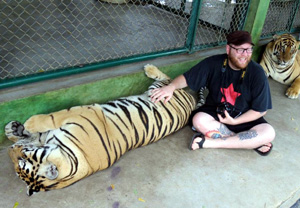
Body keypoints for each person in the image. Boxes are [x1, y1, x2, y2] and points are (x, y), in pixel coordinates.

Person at [150, 31, 275, 156]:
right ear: (228, 49)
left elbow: (260, 110)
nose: (245, 55)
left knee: (269, 132)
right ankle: (245, 141)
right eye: (240, 50)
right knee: (198, 120)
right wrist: (171, 87)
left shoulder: (257, 73)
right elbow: (188, 78)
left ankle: (208, 142)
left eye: (249, 50)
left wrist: (235, 122)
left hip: (245, 118)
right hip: (216, 112)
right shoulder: (213, 63)